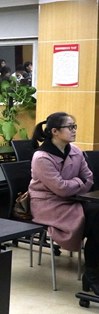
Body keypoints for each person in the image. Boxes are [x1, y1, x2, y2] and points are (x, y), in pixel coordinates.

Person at [29, 112, 99, 295]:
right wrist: (78, 182)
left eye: (74, 126)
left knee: (97, 216)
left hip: (72, 200)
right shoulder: (42, 157)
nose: (74, 130)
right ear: (55, 131)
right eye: (70, 127)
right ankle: (92, 275)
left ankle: (92, 272)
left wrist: (74, 184)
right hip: (48, 205)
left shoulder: (75, 150)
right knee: (96, 217)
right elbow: (60, 189)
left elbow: (89, 178)